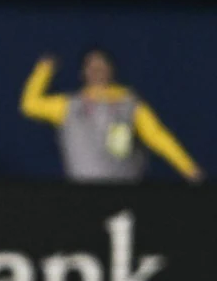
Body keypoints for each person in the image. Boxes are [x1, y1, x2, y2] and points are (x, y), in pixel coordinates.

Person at [21, 51, 203, 183]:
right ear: (83, 72)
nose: (97, 70)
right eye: (91, 66)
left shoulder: (130, 104)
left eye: (101, 65)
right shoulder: (68, 106)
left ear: (111, 69)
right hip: (81, 194)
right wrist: (43, 70)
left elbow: (158, 136)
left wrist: (188, 168)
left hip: (123, 191)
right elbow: (29, 105)